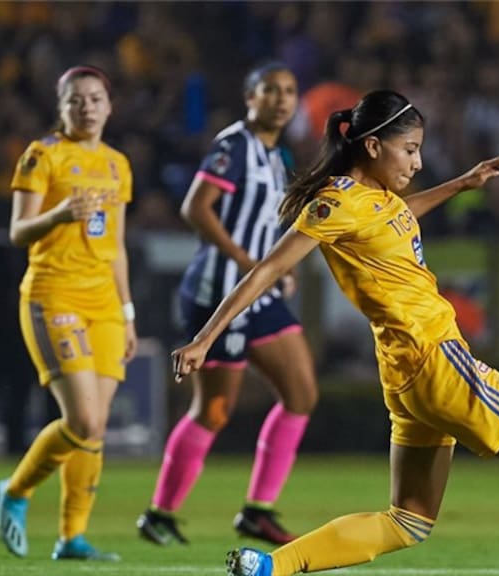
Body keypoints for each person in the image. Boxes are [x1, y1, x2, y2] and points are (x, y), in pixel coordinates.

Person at [172, 89, 499, 576]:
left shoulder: (373, 198)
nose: (417, 163)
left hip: (407, 376)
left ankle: (271, 566)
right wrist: (206, 339)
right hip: (440, 363)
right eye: (410, 150)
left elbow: (397, 216)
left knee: (409, 520)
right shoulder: (336, 204)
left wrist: (460, 184)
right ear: (372, 145)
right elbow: (265, 270)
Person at [137, 62, 317, 547]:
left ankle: (258, 511)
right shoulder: (234, 144)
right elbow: (195, 207)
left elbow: (263, 221)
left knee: (301, 393)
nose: (281, 99)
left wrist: (281, 265)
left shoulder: (276, 155)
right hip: (220, 292)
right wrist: (248, 262)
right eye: (270, 90)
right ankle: (159, 514)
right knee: (214, 409)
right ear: (249, 97)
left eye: (289, 91)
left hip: (258, 293)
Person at [0, 65, 136, 561]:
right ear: (61, 108)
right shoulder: (42, 155)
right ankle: (13, 492)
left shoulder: (118, 164)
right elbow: (18, 232)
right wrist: (59, 215)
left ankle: (71, 537)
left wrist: (127, 310)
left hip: (104, 303)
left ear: (109, 105)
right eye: (76, 100)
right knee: (81, 418)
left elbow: (116, 245)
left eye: (96, 98)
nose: (87, 107)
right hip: (53, 294)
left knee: (95, 427)